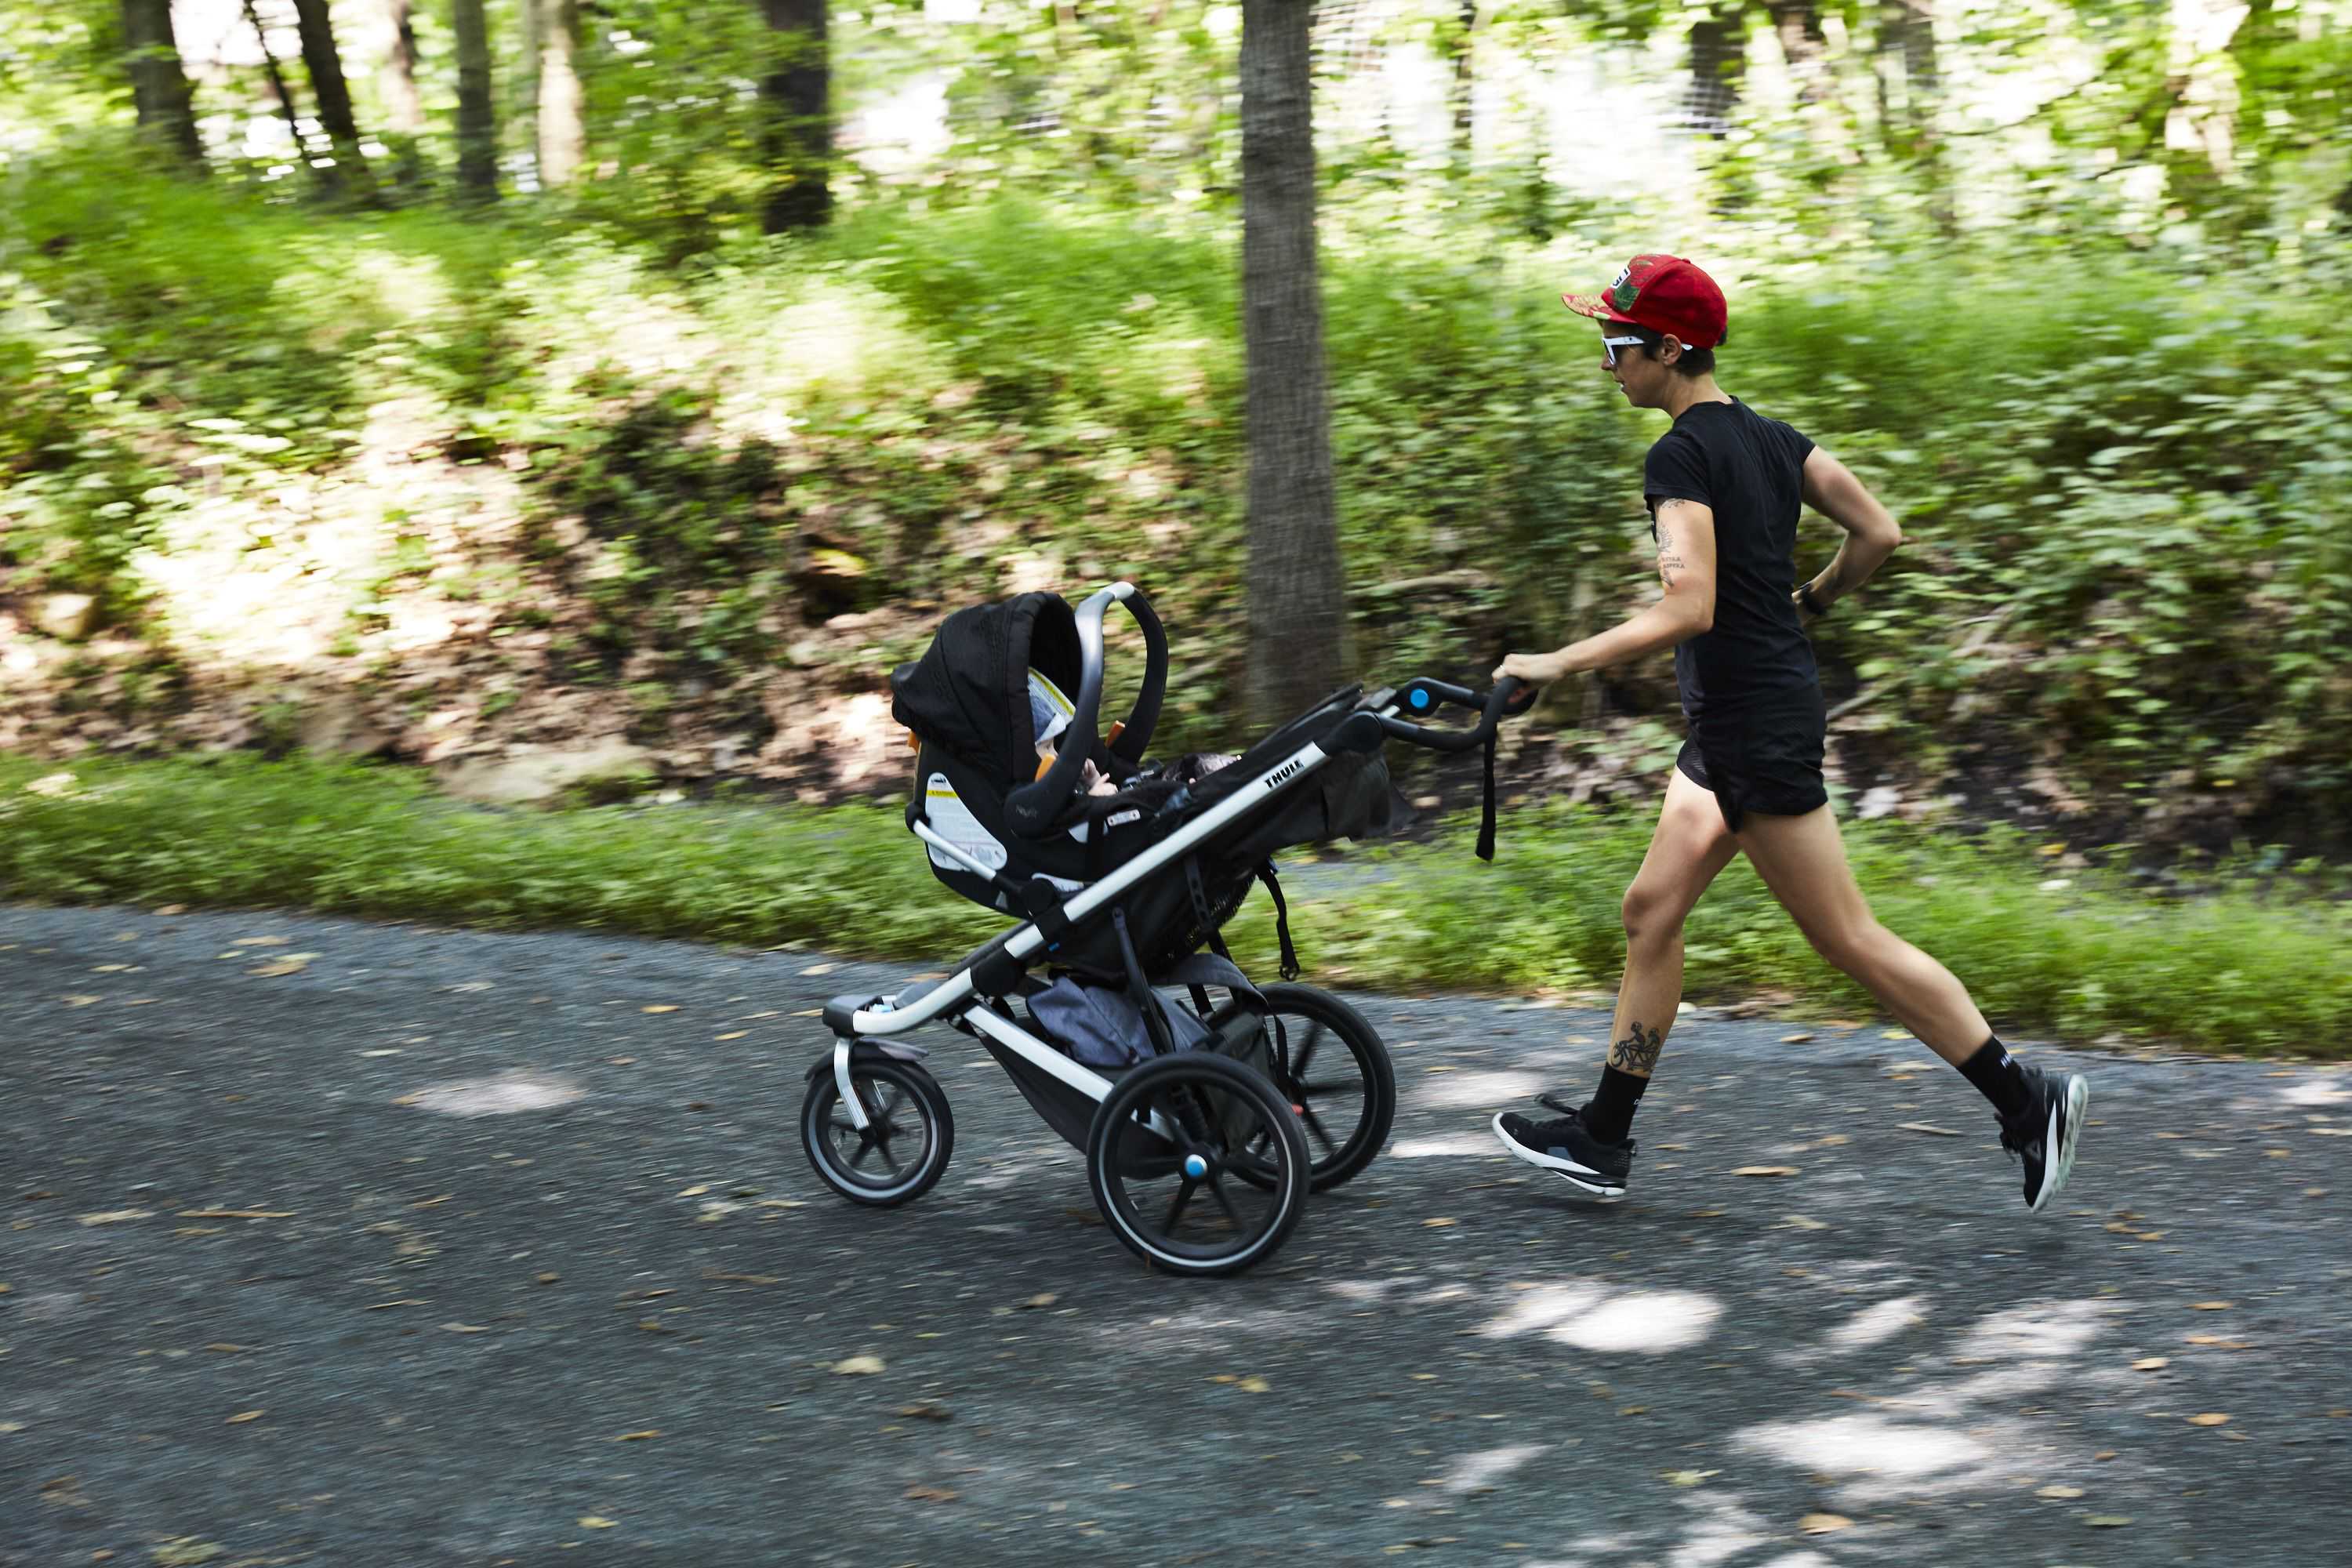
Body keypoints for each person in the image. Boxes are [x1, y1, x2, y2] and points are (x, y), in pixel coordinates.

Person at [1486, 254, 2087, 1213]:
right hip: (1733, 724)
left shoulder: (1679, 454)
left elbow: (1689, 604)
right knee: (1651, 910)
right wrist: (1811, 599)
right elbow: (1878, 532)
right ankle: (1601, 1135)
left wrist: (1558, 662)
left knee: (1846, 936)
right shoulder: (1774, 441)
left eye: (1617, 344)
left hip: (1756, 731)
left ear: (1669, 349)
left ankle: (2028, 1101)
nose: (1608, 364)